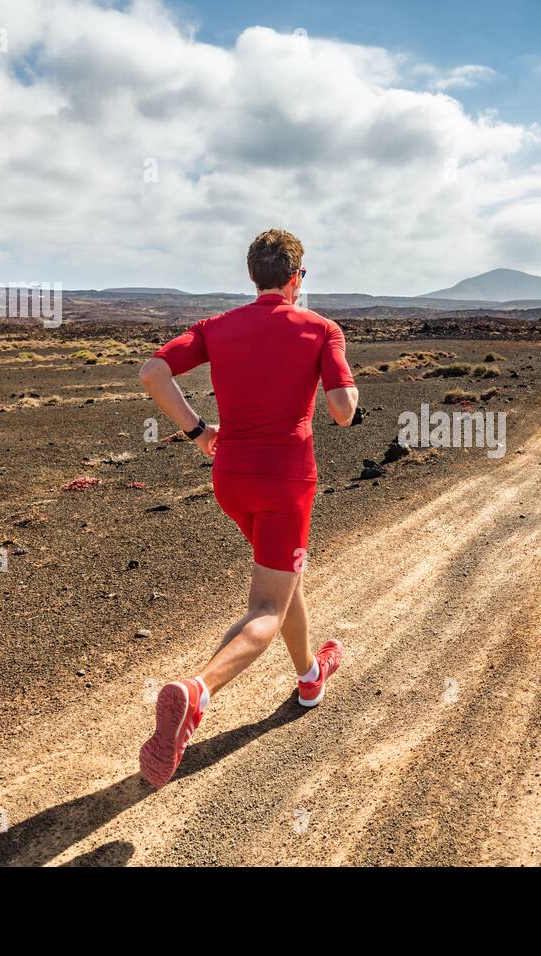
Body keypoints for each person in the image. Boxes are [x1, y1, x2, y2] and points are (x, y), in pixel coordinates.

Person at [136, 228, 359, 788]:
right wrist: (346, 386)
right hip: (286, 481)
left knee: (284, 578)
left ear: (254, 277)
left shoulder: (218, 328)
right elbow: (341, 412)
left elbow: (152, 373)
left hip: (230, 476)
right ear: (295, 279)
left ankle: (310, 676)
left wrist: (195, 430)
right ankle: (196, 692)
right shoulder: (321, 329)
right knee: (265, 605)